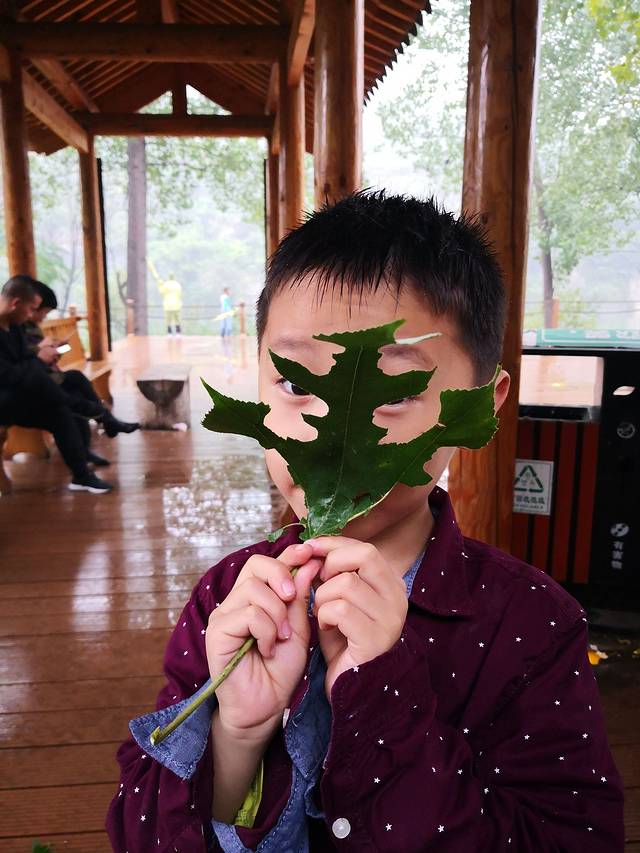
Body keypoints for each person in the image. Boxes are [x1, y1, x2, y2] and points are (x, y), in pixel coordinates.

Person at [106, 193, 624, 852]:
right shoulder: (226, 599)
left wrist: (385, 700)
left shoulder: (531, 624)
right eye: (296, 384)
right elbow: (141, 833)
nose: (334, 447)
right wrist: (236, 732)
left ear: (483, 403)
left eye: (398, 392)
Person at [21, 278, 139, 467]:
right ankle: (106, 422)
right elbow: (22, 358)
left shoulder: (28, 326)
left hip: (46, 377)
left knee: (76, 389)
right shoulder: (14, 327)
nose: (40, 316)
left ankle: (87, 448)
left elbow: (35, 357)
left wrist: (53, 350)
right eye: (40, 311)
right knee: (73, 388)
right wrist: (40, 350)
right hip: (35, 384)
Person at [149, 262, 183, 336]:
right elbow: (180, 295)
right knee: (177, 319)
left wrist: (159, 284)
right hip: (176, 306)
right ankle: (178, 332)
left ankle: (169, 333)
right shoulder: (178, 285)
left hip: (168, 306)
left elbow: (161, 291)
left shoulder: (166, 285)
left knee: (168, 320)